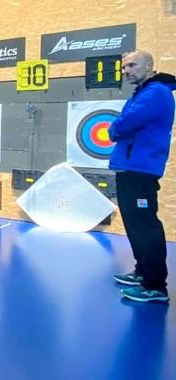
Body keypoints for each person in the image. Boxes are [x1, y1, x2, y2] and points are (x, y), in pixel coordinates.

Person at [109, 50, 175, 303]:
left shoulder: (156, 92)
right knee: (135, 224)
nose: (126, 70)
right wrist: (118, 125)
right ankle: (143, 272)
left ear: (150, 66)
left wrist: (115, 127)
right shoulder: (144, 92)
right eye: (124, 67)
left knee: (145, 226)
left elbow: (122, 125)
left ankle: (155, 286)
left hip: (140, 169)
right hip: (131, 167)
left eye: (132, 65)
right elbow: (124, 122)